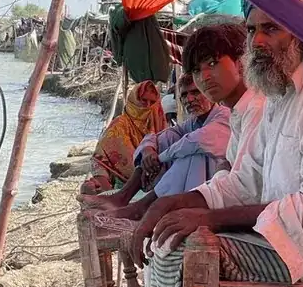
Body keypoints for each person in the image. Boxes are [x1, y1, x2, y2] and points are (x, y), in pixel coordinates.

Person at [131, 4, 303, 287]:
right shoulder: (279, 96)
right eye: (252, 31)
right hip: (275, 240)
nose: (257, 41)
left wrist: (209, 219)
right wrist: (174, 203)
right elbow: (247, 182)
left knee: (181, 255)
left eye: (271, 29)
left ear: (301, 36)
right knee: (169, 243)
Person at [78, 73, 232, 219]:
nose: (190, 99)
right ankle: (123, 196)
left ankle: (142, 206)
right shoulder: (193, 122)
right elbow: (160, 136)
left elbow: (197, 141)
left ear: (208, 93)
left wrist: (158, 158)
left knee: (190, 154)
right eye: (184, 95)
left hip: (223, 183)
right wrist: (147, 151)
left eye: (195, 92)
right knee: (167, 138)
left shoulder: (224, 115)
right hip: (138, 178)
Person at [80, 80, 168, 195]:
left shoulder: (158, 123)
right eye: (143, 100)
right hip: (124, 187)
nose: (147, 106)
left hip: (159, 185)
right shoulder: (119, 125)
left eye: (151, 102)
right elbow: (100, 160)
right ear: (133, 100)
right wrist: (105, 186)